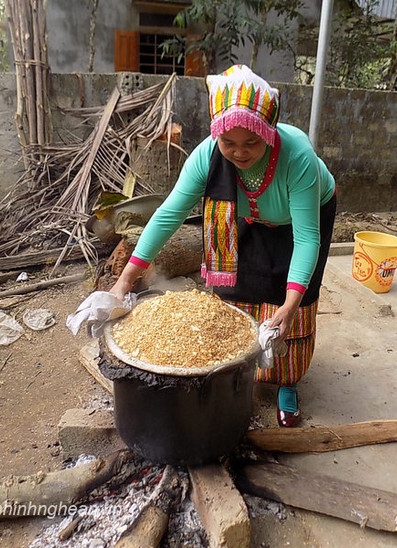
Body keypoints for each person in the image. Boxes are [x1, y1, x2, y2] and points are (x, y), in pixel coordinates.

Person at [109, 65, 336, 427]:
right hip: (248, 215)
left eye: (252, 143)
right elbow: (168, 215)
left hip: (305, 218)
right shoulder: (206, 157)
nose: (239, 153)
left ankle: (286, 383)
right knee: (241, 284)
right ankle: (241, 371)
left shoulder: (298, 159)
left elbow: (307, 239)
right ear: (217, 133)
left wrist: (290, 305)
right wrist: (124, 281)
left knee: (292, 301)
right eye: (229, 143)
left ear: (269, 132)